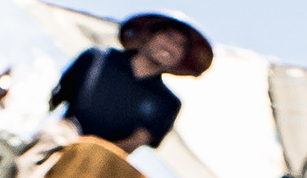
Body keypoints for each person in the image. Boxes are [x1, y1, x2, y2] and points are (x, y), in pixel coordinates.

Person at [50, 12, 214, 154]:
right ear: (148, 36)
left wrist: (95, 153)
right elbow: (55, 99)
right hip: (61, 140)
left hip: (105, 162)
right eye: (167, 36)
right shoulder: (98, 59)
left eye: (180, 45)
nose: (170, 46)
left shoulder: (168, 103)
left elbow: (137, 141)